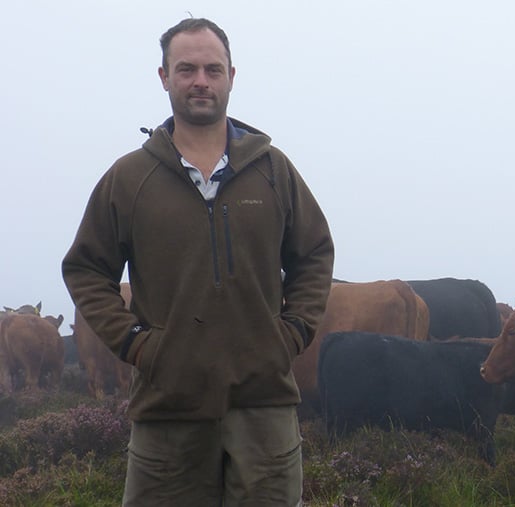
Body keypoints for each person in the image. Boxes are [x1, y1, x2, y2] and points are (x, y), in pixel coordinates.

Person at [61, 17, 334, 506]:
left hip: (264, 407)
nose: (201, 81)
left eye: (212, 69)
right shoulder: (130, 178)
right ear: (164, 77)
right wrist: (136, 344)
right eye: (186, 69)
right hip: (167, 410)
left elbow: (314, 254)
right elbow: (85, 268)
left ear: (232, 74)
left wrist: (290, 333)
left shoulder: (273, 171)